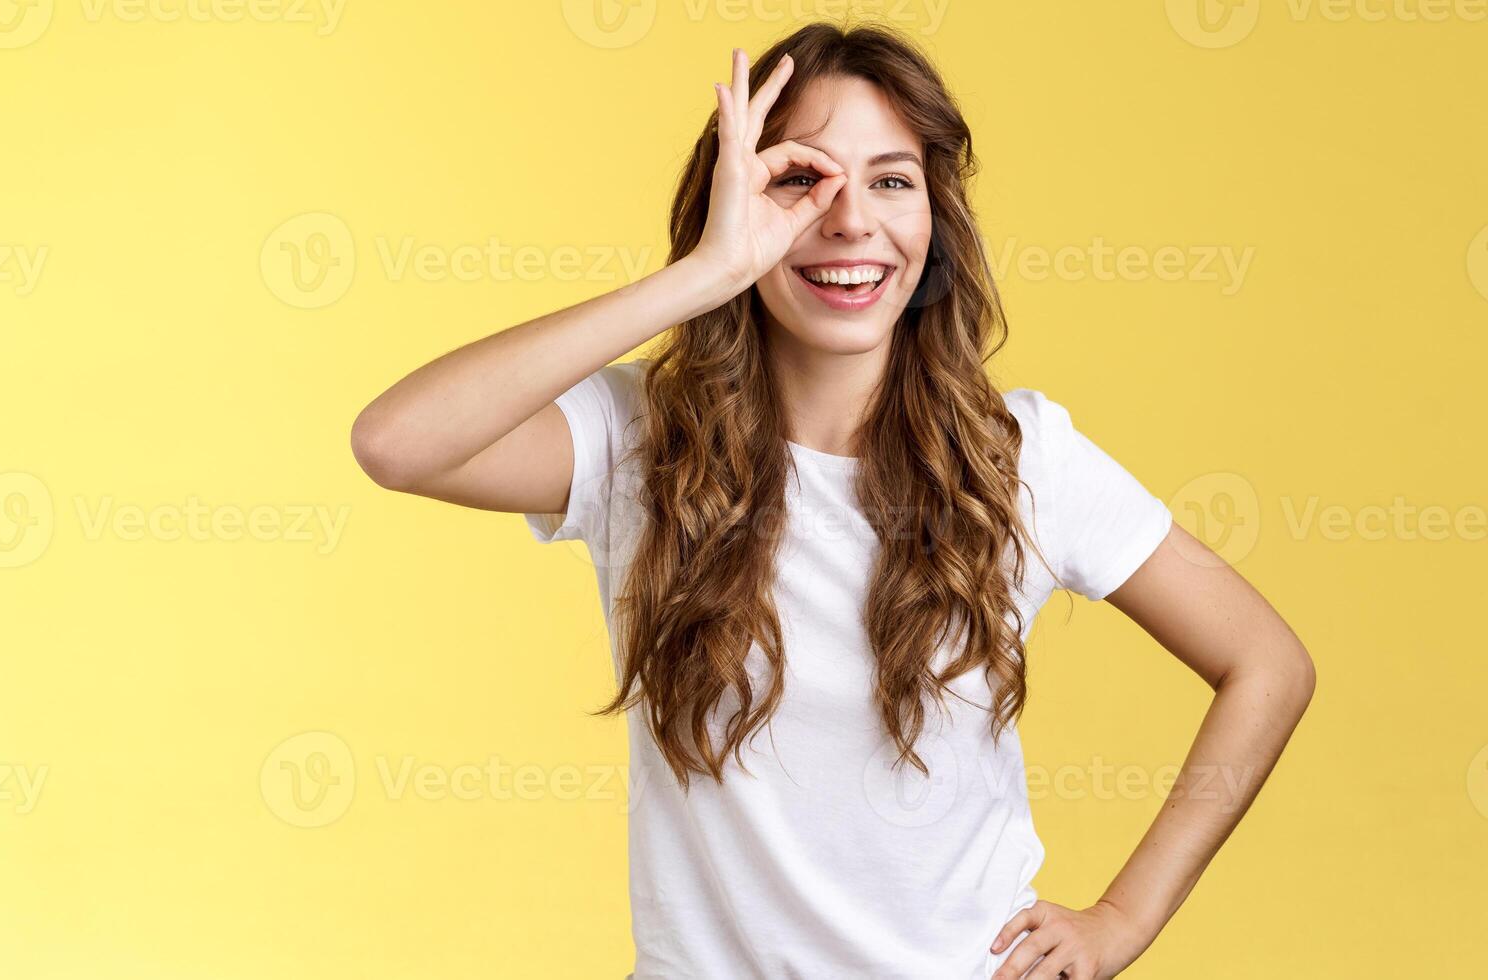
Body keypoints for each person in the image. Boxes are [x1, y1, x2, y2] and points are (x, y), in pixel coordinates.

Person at [350, 23, 1315, 979]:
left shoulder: (1022, 460)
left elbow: (1266, 663)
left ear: (935, 219)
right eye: (802, 179)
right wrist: (702, 278)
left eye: (893, 180)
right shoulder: (640, 443)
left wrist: (1122, 919)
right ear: (735, 202)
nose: (851, 221)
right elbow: (397, 443)